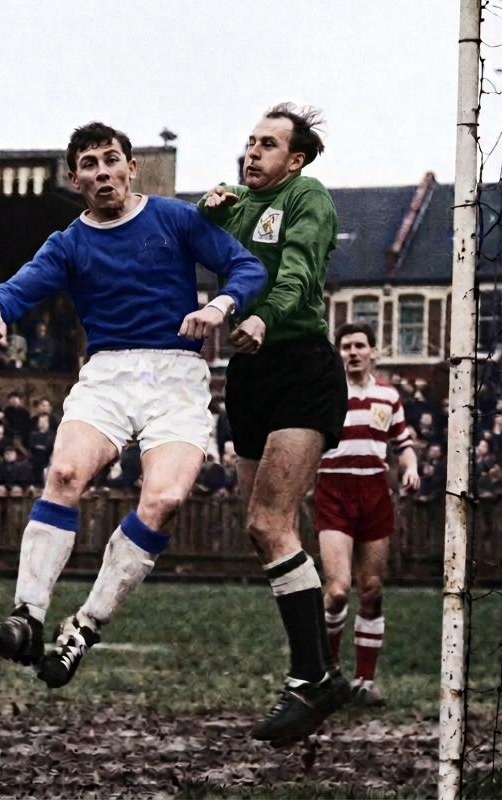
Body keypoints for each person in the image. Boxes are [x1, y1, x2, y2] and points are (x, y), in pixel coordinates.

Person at [0, 121, 265, 689]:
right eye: (90, 164)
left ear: (132, 168)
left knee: (165, 499)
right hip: (108, 373)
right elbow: (18, 286)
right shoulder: (68, 244)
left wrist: (220, 306)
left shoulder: (174, 219)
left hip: (177, 376)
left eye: (111, 160)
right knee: (64, 473)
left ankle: (84, 626)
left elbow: (247, 266)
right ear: (74, 178)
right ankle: (27, 617)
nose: (103, 172)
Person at [198, 103, 349, 744]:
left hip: (299, 365)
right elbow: (204, 247)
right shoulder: (237, 205)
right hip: (250, 372)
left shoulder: (306, 196)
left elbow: (299, 269)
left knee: (269, 522)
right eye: (250, 142)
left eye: (267, 144)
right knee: (264, 532)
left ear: (296, 159)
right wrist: (205, 211)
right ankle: (319, 677)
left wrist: (264, 315)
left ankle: (312, 678)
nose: (252, 152)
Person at [316, 323, 418, 709]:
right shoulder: (327, 393)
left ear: (373, 351)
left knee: (372, 589)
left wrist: (411, 468)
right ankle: (328, 674)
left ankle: (364, 680)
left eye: (360, 346)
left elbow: (403, 444)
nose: (353, 352)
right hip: (334, 490)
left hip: (374, 493)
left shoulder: (388, 396)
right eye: (346, 347)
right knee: (338, 590)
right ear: (338, 354)